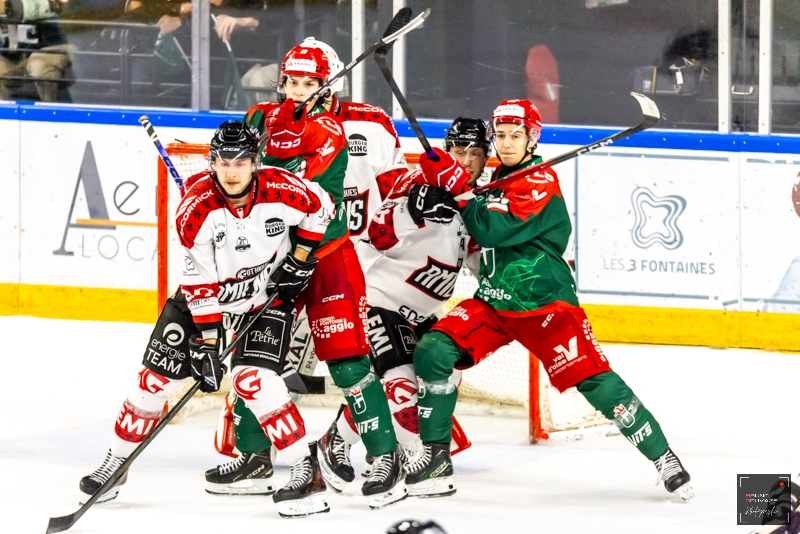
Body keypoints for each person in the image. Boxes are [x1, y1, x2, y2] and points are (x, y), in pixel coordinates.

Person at [405, 99, 694, 501]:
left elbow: (493, 232)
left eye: (516, 136)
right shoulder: (494, 182)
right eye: (501, 136)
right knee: (434, 350)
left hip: (544, 308)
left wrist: (461, 193)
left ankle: (664, 458)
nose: (507, 144)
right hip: (494, 304)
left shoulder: (538, 182)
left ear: (532, 138)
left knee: (594, 382)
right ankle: (435, 456)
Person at [78, 121, 336, 518]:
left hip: (264, 298)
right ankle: (116, 463)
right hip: (206, 299)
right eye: (224, 162)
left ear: (256, 163)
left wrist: (299, 261)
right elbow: (199, 288)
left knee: (254, 381)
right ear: (212, 162)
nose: (232, 171)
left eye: (241, 162)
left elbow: (322, 209)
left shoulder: (283, 188)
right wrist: (208, 347)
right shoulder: (195, 210)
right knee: (153, 381)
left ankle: (307, 470)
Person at [204, 39, 407, 510]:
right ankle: (255, 457)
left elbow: (318, 201)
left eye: (308, 83)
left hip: (328, 254)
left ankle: (385, 458)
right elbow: (241, 175)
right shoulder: (259, 120)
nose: (296, 91)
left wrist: (301, 257)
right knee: (259, 358)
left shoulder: (333, 130)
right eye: (291, 82)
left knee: (347, 359)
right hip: (276, 255)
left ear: (327, 85)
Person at [314, 117, 489, 493]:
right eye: (459, 151)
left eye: (475, 153)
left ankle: (336, 440)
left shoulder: (477, 201)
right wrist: (415, 209)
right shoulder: (416, 182)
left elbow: (478, 260)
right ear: (446, 150)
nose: (466, 160)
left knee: (444, 375)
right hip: (380, 302)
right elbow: (377, 233)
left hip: (424, 314)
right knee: (400, 389)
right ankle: (410, 458)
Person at [0, 0, 72, 102]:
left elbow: (58, 4)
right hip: (13, 58)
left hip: (46, 50)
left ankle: (57, 113)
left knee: (39, 65)